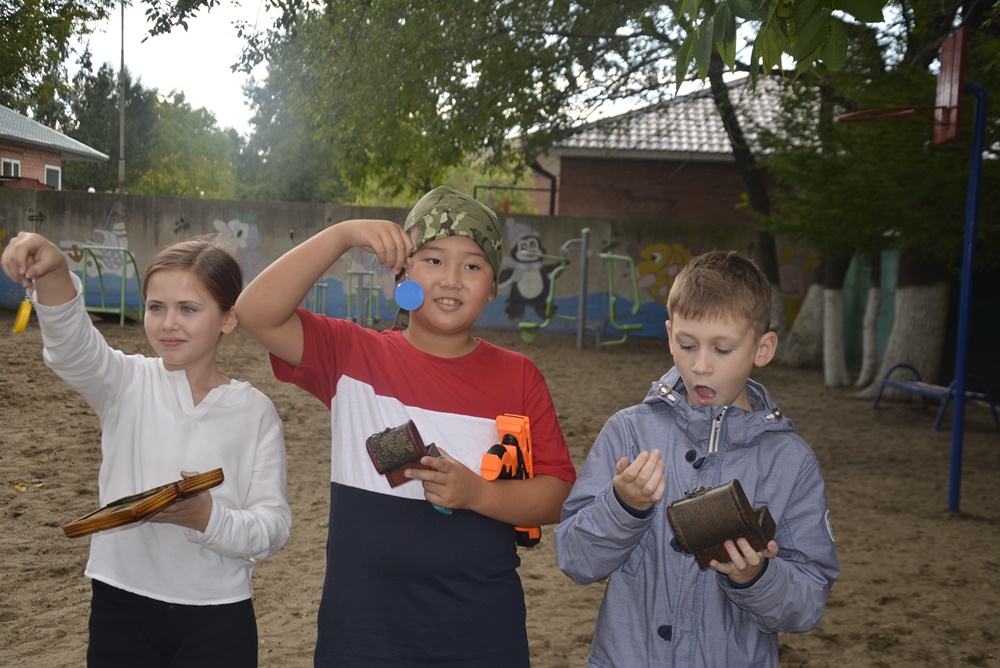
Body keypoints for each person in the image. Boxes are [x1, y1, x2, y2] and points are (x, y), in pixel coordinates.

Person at [235, 186, 577, 667]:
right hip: (364, 632)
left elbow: (558, 493)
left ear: (493, 287)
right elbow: (256, 313)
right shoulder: (352, 355)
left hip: (480, 633)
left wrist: (479, 494)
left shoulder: (519, 376)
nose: (452, 279)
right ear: (403, 272)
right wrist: (342, 235)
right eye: (433, 260)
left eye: (473, 265)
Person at [1, 232, 291, 668]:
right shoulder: (124, 382)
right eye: (156, 307)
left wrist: (208, 518)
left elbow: (273, 527)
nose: (168, 322)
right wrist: (56, 272)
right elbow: (72, 348)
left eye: (188, 308)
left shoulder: (255, 411)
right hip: (121, 604)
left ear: (228, 318)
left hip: (219, 615)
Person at [554, 250, 839, 667]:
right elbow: (575, 560)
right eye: (687, 345)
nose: (701, 365)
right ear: (670, 336)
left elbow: (809, 603)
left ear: (763, 348)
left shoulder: (791, 462)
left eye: (722, 349)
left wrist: (756, 578)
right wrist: (623, 507)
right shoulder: (628, 431)